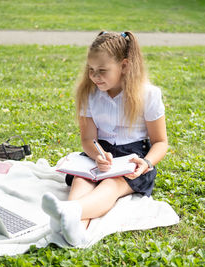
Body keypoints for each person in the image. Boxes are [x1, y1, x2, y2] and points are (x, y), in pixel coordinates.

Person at [42, 31, 168, 246]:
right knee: (82, 180)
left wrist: (146, 163)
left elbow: (160, 142)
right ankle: (76, 229)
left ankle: (67, 214)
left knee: (110, 185)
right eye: (90, 70)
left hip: (133, 159)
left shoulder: (148, 94)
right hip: (99, 153)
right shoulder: (89, 94)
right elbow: (88, 139)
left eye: (102, 71)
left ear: (125, 66)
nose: (94, 76)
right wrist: (97, 155)